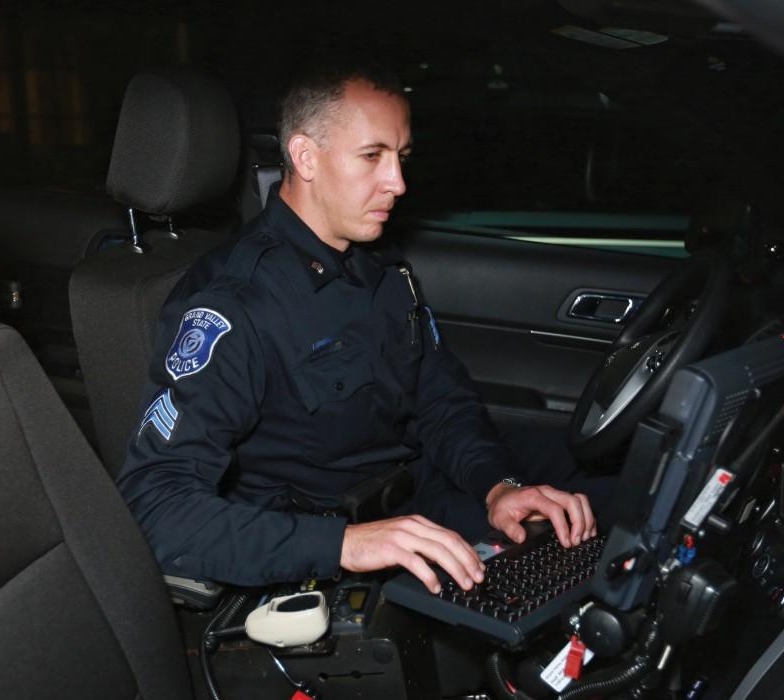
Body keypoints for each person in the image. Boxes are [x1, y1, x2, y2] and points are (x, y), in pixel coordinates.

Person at [117, 62, 612, 596]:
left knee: (610, 504)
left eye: (401, 158)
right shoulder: (234, 306)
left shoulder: (378, 262)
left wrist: (495, 486)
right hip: (328, 544)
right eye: (373, 156)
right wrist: (347, 546)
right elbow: (155, 506)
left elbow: (439, 398)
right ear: (306, 157)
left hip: (420, 492)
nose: (397, 183)